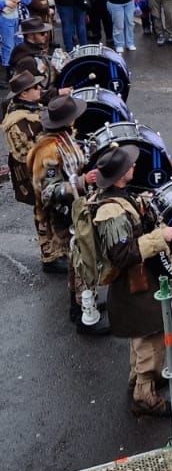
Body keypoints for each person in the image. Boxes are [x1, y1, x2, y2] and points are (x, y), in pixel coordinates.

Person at [89, 145, 172, 414]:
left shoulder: (118, 197)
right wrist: (158, 238)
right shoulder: (111, 212)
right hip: (134, 284)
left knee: (142, 334)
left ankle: (137, 377)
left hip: (137, 280)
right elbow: (121, 255)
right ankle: (144, 395)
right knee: (149, 334)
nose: (134, 166)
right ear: (119, 177)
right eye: (129, 166)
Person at [29, 94, 106, 336]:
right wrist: (83, 181)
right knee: (85, 261)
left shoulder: (62, 138)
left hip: (74, 210)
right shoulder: (49, 152)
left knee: (76, 261)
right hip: (65, 215)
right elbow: (48, 192)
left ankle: (77, 305)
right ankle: (87, 317)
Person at [2, 70, 44, 219]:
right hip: (35, 177)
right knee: (44, 214)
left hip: (43, 172)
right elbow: (28, 156)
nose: (40, 88)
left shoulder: (29, 105)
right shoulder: (16, 124)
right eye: (35, 87)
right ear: (24, 94)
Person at [0, 0, 32, 69]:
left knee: (20, 45)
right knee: (8, 45)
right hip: (4, 19)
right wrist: (4, 3)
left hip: (19, 19)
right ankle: (7, 69)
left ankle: (19, 68)